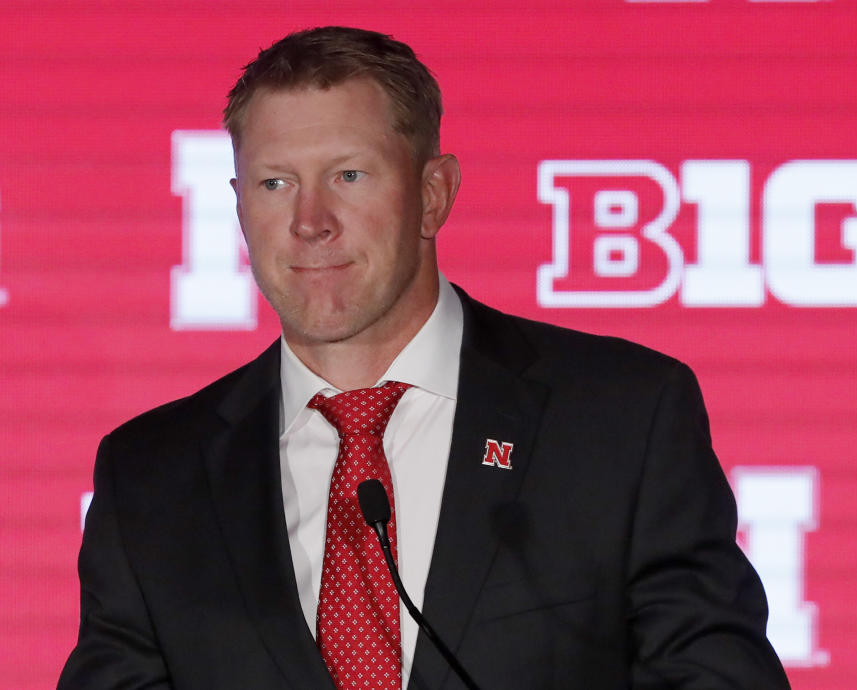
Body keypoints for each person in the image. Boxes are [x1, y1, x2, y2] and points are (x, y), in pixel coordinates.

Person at [59, 26, 790, 690]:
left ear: (434, 195)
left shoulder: (621, 420)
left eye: (349, 175)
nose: (309, 223)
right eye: (275, 183)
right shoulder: (151, 477)